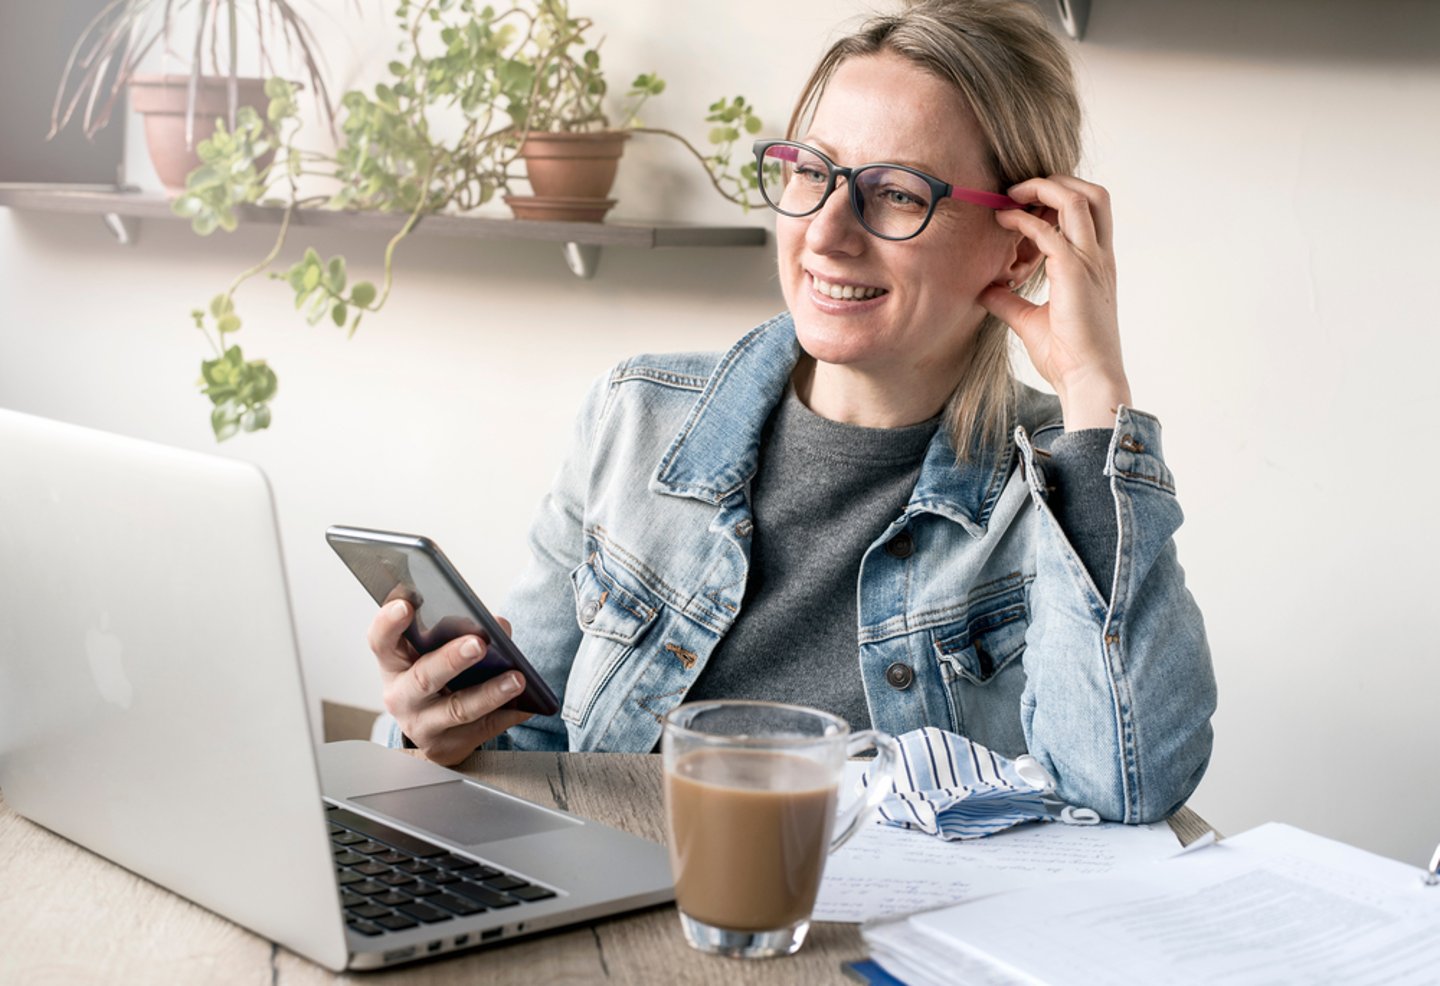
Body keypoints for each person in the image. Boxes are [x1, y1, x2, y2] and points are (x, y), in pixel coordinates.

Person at [367, 0, 1216, 824]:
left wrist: (1095, 395)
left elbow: (1122, 789)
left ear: (1023, 242)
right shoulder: (635, 416)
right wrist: (431, 735)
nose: (828, 233)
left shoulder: (1056, 484)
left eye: (895, 193)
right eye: (812, 172)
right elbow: (531, 741)